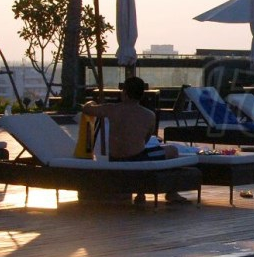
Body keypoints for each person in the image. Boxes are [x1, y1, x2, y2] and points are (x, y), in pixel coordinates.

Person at [80, 76, 190, 204]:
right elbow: (145, 140)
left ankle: (141, 192)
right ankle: (171, 193)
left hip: (115, 158)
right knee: (172, 150)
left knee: (142, 151)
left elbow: (86, 109)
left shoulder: (111, 109)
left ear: (125, 93)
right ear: (141, 95)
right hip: (137, 158)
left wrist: (91, 103)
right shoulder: (149, 115)